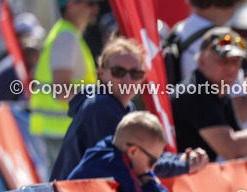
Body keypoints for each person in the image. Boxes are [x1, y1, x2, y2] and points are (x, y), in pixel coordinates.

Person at [51, 37, 208, 180]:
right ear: (101, 73)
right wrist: (184, 165)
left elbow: (145, 154)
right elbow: (135, 163)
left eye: (135, 73)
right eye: (118, 72)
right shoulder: (101, 106)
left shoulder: (123, 107)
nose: (127, 80)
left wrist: (183, 158)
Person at [171, 27, 247, 177]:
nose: (231, 67)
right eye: (223, 60)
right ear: (202, 61)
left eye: (236, 61)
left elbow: (243, 142)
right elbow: (233, 150)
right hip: (177, 182)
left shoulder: (218, 91)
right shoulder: (197, 92)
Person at [30, 0, 104, 166]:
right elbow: (61, 91)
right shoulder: (66, 37)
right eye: (90, 2)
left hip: (62, 129)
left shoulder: (66, 34)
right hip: (64, 131)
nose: (95, 9)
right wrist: (100, 96)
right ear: (71, 5)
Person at [67, 112, 173, 192]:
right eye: (152, 161)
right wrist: (152, 183)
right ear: (133, 152)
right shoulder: (119, 165)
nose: (153, 167)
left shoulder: (106, 148)